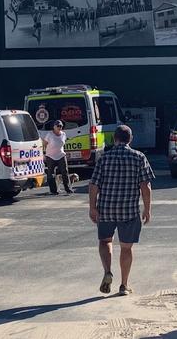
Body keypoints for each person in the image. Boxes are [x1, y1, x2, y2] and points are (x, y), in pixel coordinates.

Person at [89, 125, 154, 296]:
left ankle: (107, 272)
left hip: (106, 210)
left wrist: (92, 207)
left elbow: (93, 184)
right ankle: (124, 285)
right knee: (126, 248)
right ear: (130, 139)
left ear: (114, 139)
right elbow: (145, 186)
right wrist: (147, 209)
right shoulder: (139, 157)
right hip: (129, 211)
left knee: (105, 241)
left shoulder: (104, 158)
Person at [43, 120, 73, 195]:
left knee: (65, 172)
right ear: (54, 127)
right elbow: (44, 144)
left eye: (61, 126)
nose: (60, 127)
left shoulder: (63, 134)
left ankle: (68, 188)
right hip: (50, 156)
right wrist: (44, 154)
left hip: (61, 155)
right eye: (58, 126)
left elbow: (62, 143)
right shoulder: (49, 135)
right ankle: (53, 190)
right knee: (51, 174)